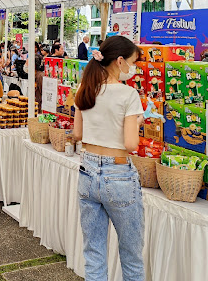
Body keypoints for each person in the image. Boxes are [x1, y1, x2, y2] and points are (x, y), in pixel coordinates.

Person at [73, 36, 145, 280]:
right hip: (119, 175)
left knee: (93, 254)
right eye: (133, 62)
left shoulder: (85, 89)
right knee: (131, 256)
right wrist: (137, 121)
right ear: (120, 61)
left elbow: (78, 134)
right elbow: (131, 144)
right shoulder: (128, 95)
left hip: (87, 171)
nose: (133, 68)